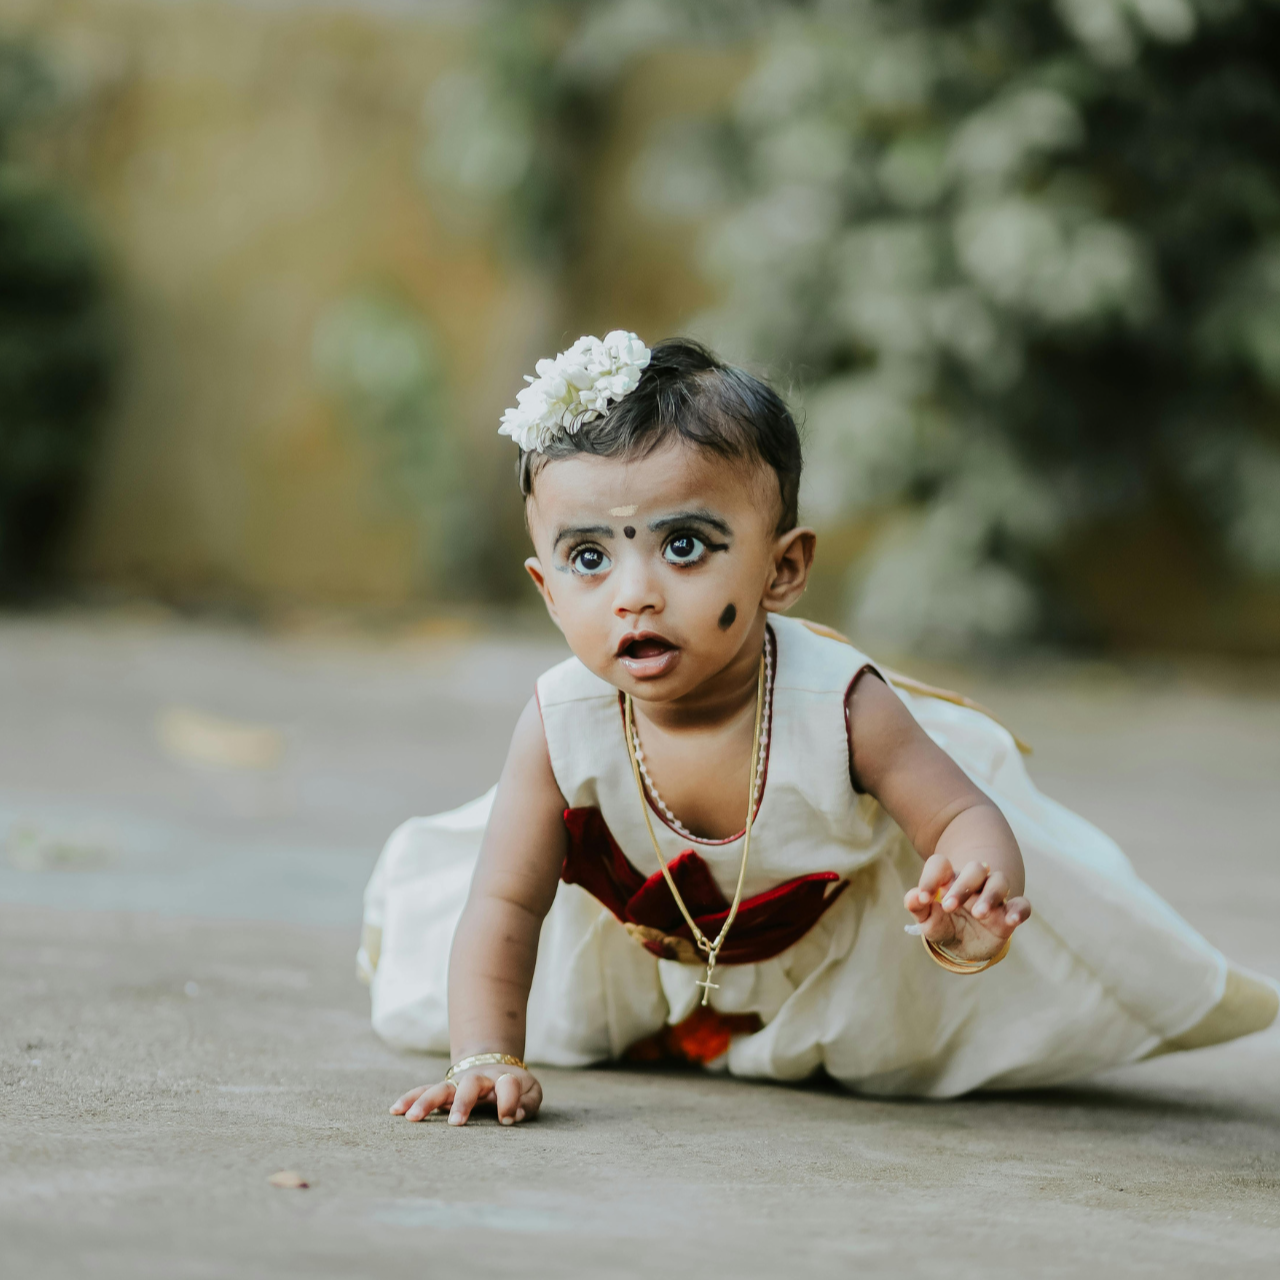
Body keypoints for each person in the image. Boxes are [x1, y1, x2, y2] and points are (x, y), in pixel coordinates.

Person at [360, 333, 1278, 1127]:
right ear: (547, 590)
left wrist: (973, 884)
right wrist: (485, 1055)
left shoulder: (837, 704)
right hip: (634, 959)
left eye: (684, 546)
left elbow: (959, 814)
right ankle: (672, 1025)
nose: (634, 594)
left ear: (783, 569)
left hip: (831, 964)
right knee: (514, 1004)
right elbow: (505, 904)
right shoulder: (560, 720)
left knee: (898, 1059)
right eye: (590, 557)